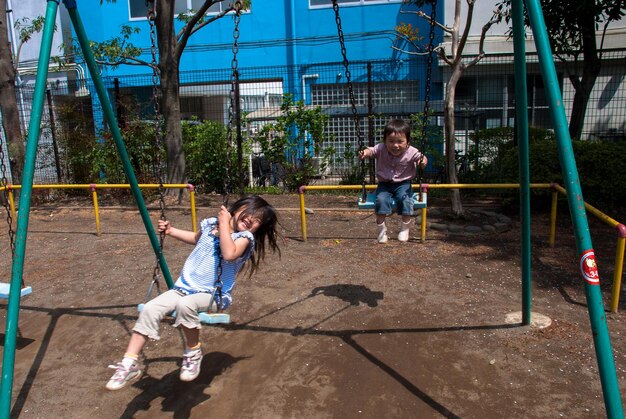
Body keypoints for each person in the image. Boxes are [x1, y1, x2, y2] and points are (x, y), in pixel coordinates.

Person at [105, 195, 281, 390]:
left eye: (258, 221)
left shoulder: (243, 239)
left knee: (185, 306)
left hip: (213, 296)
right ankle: (129, 363)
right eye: (250, 213)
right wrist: (171, 231)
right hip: (183, 289)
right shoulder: (210, 225)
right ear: (238, 207)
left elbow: (229, 254)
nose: (251, 220)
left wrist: (224, 225)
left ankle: (193, 352)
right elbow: (195, 238)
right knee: (150, 308)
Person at [358, 119, 428, 243]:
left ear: (408, 142)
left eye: (400, 142)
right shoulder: (381, 148)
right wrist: (364, 153)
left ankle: (405, 228)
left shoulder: (411, 151)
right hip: (384, 184)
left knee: (405, 199)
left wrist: (422, 161)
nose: (395, 145)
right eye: (391, 141)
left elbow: (420, 157)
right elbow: (371, 150)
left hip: (403, 184)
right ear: (385, 141)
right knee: (380, 200)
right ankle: (381, 230)